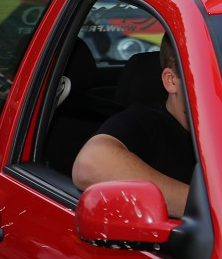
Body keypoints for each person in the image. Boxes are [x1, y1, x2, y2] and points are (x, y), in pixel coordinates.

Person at [71, 35, 195, 218]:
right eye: (209, 73)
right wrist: (207, 207)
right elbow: (90, 164)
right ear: (171, 80)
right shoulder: (147, 121)